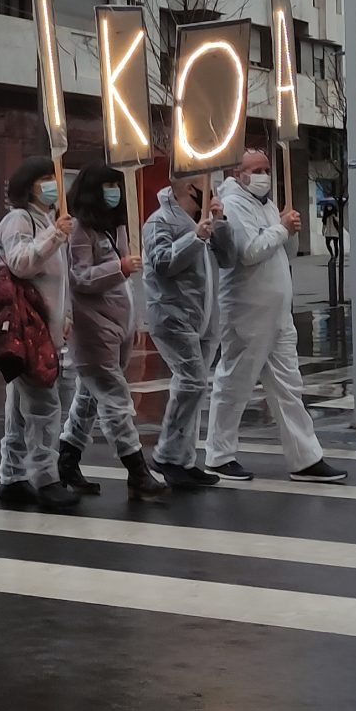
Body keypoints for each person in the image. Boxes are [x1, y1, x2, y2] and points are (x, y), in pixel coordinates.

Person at [205, 148, 346, 484]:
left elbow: (280, 250)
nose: (263, 175)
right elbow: (248, 252)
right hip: (247, 311)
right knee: (235, 383)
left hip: (277, 313)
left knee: (288, 386)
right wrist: (282, 229)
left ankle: (305, 457)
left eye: (266, 168)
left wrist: (287, 230)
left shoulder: (266, 204)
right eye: (255, 169)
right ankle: (218, 455)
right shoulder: (233, 203)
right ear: (238, 173)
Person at [59, 164, 165, 502]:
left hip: (118, 324)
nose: (114, 192)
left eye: (116, 186)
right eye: (107, 185)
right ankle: (136, 469)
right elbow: (80, 277)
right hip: (93, 328)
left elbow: (122, 282)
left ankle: (68, 459)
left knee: (90, 397)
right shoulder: (79, 230)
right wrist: (118, 267)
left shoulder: (113, 228)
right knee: (115, 400)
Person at [0, 158, 82, 511]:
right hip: (27, 328)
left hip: (45, 328)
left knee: (21, 408)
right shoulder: (20, 220)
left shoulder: (47, 219)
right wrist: (55, 235)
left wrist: (67, 314)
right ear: (29, 185)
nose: (51, 186)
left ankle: (13, 476)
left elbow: (59, 279)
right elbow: (21, 263)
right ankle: (46, 477)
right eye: (45, 179)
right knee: (45, 405)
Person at [142, 173, 229, 491]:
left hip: (205, 318)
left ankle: (183, 460)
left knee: (193, 388)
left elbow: (229, 256)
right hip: (172, 316)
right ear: (190, 190)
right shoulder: (159, 222)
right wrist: (196, 236)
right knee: (191, 383)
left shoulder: (204, 220)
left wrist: (220, 223)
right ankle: (167, 455)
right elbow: (163, 263)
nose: (213, 193)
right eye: (207, 188)